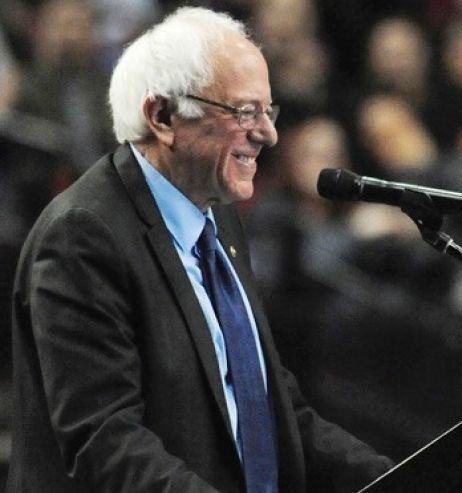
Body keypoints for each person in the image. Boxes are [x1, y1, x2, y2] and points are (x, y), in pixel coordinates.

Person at [7, 7, 393, 493]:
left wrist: (398, 479)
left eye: (268, 111)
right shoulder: (82, 235)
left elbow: (271, 408)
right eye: (245, 112)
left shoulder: (218, 218)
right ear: (163, 116)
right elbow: (105, 441)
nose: (268, 134)